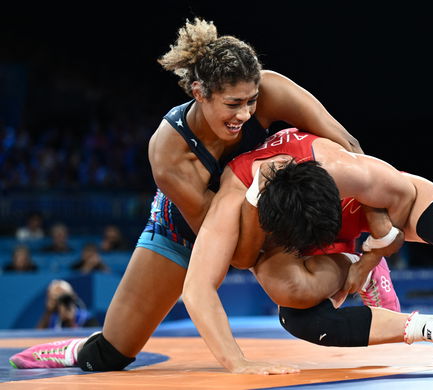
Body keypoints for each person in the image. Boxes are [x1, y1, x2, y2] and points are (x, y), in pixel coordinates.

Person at [9, 16, 362, 374]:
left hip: (268, 209)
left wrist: (367, 227)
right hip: (186, 230)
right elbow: (237, 253)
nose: (244, 113)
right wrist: (260, 197)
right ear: (199, 92)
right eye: (233, 104)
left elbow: (350, 150)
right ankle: (72, 349)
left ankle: (357, 261)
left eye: (251, 102)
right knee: (110, 356)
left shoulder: (270, 90)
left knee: (310, 265)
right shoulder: (170, 151)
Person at [181, 128, 433, 372]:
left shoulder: (347, 171)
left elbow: (399, 199)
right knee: (292, 305)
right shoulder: (232, 205)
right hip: (298, 231)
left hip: (360, 208)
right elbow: (197, 289)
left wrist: (372, 253)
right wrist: (237, 362)